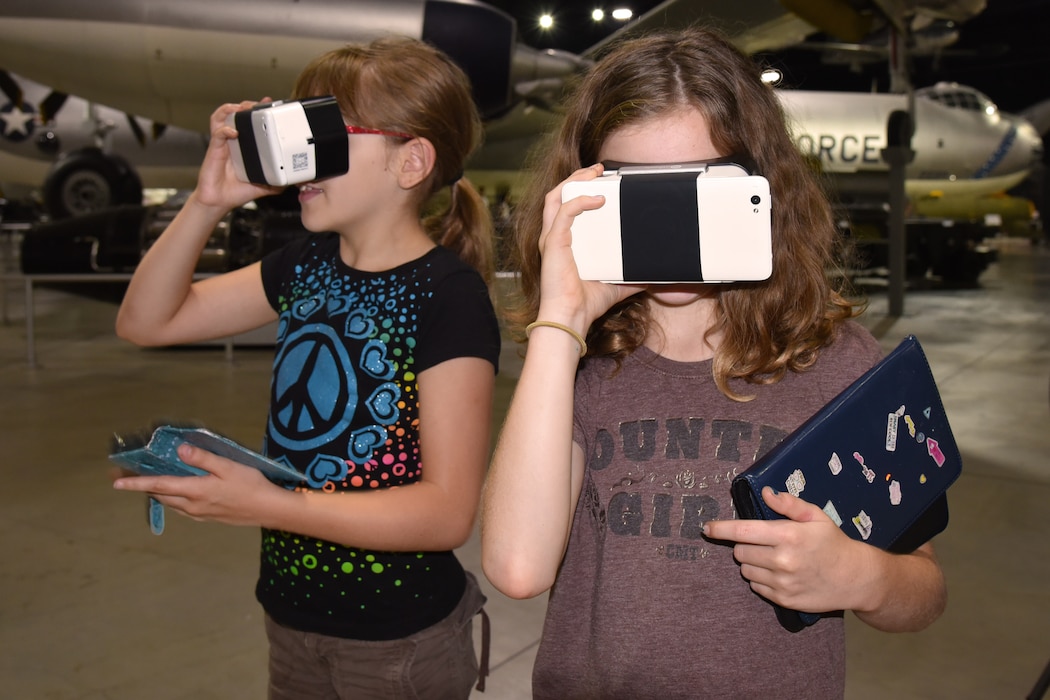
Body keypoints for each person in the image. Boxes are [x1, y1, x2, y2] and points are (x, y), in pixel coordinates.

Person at [480, 27, 946, 699]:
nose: (668, 225)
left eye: (698, 189)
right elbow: (519, 568)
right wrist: (564, 321)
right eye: (635, 191)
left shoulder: (837, 365)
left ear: (760, 190)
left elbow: (924, 590)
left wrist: (860, 577)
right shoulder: (580, 365)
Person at [113, 36, 500, 699]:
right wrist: (208, 201)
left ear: (411, 160)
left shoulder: (448, 297)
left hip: (396, 641)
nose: (302, 160)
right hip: (289, 618)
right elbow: (147, 322)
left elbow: (445, 513)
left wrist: (268, 504)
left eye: (328, 133)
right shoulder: (304, 264)